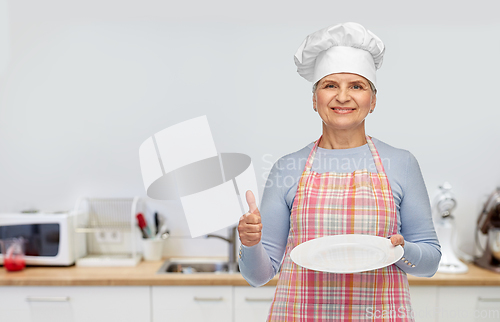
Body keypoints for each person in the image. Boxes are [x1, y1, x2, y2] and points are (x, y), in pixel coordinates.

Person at [237, 22, 441, 321]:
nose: (342, 97)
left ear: (372, 101)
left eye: (356, 86)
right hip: (299, 315)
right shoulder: (286, 168)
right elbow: (259, 276)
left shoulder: (401, 163)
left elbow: (430, 263)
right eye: (330, 85)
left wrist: (402, 249)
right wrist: (250, 243)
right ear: (314, 98)